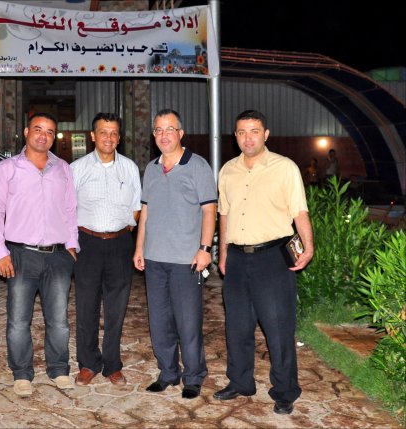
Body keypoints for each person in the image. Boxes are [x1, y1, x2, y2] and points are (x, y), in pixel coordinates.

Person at [215, 109, 314, 415]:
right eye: (242, 132)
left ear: (266, 134)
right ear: (235, 136)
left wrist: (308, 247)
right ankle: (240, 382)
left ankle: (285, 390)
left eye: (254, 131)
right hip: (237, 258)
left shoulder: (285, 168)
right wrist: (223, 253)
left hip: (273, 258)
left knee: (278, 328)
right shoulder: (227, 171)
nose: (248, 138)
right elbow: (224, 214)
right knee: (237, 326)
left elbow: (299, 211)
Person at [0, 112, 78, 397]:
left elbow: (70, 209)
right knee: (18, 320)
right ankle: (22, 374)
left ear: (54, 137)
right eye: (38, 129)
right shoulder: (7, 169)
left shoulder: (63, 168)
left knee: (59, 320)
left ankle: (59, 369)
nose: (43, 135)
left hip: (58, 255)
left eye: (50, 132)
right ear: (26, 132)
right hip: (20, 255)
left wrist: (72, 245)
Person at [133, 109, 217, 400]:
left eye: (170, 129)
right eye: (158, 130)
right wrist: (139, 248)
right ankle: (168, 372)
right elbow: (145, 212)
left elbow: (209, 210)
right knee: (159, 321)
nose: (164, 135)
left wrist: (205, 249)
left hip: (186, 261)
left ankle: (193, 376)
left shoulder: (198, 166)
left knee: (188, 323)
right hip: (155, 259)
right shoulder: (151, 168)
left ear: (180, 133)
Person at [70, 113, 142, 387]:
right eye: (103, 132)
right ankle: (88, 363)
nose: (108, 138)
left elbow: (136, 209)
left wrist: (121, 232)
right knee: (86, 306)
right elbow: (67, 209)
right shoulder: (77, 168)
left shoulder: (129, 168)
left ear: (119, 138)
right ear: (93, 136)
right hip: (87, 244)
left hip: (120, 243)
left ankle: (112, 364)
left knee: (116, 308)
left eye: (113, 133)